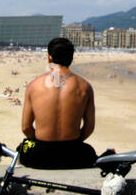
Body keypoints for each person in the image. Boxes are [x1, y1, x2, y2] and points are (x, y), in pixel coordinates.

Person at [19, 37, 97, 169]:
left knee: (22, 148)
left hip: (40, 155)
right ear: (71, 58)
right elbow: (89, 127)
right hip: (74, 154)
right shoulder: (85, 87)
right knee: (90, 151)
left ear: (49, 58)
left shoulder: (34, 86)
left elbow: (26, 127)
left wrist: (40, 141)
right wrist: (74, 142)